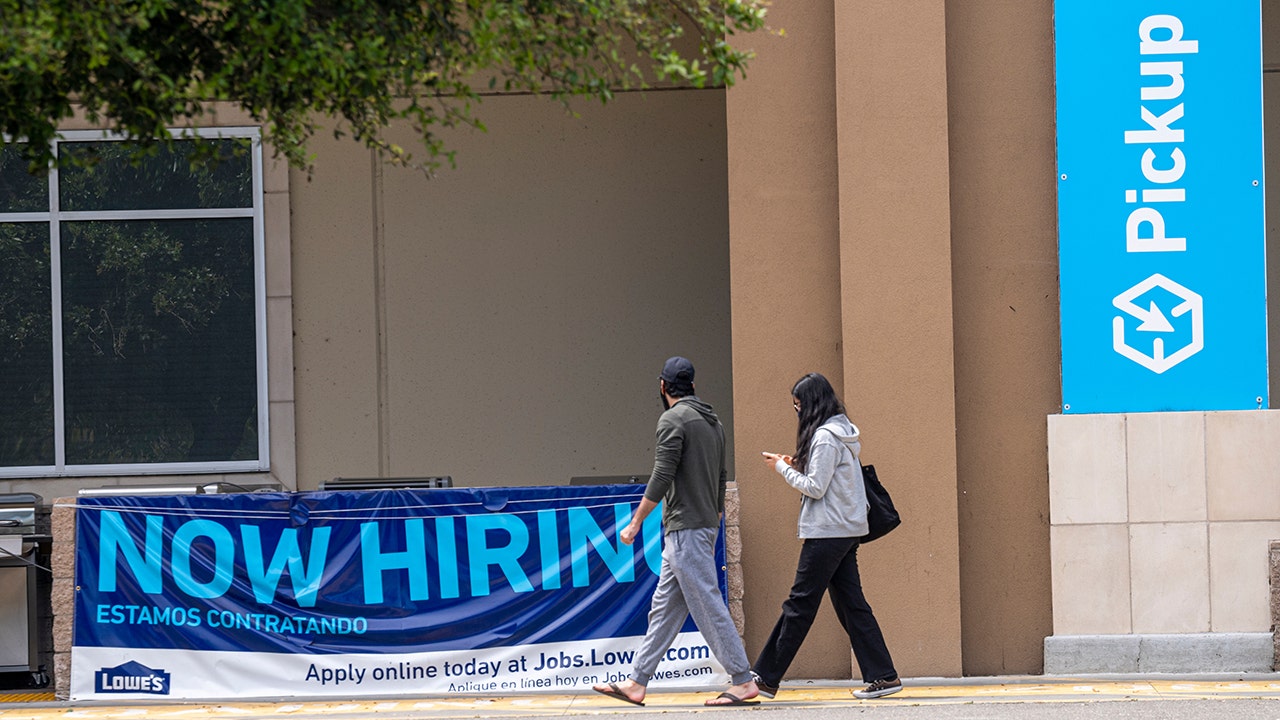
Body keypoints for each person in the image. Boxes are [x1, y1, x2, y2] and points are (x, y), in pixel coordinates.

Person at [592, 356, 761, 707]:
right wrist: (712, 514)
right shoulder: (713, 421)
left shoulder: (673, 419)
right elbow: (719, 475)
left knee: (708, 605)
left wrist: (636, 521)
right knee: (665, 608)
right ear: (693, 387)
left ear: (662, 386)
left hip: (686, 529)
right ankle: (637, 682)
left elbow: (662, 475)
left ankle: (743, 681)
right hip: (699, 526)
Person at [751, 372, 902, 700]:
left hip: (828, 533)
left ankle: (765, 677)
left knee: (800, 603)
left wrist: (781, 467)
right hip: (846, 530)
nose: (797, 411)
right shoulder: (842, 431)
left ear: (811, 403)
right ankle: (884, 676)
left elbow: (815, 488)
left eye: (798, 404)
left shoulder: (824, 436)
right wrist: (796, 464)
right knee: (852, 604)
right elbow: (829, 478)